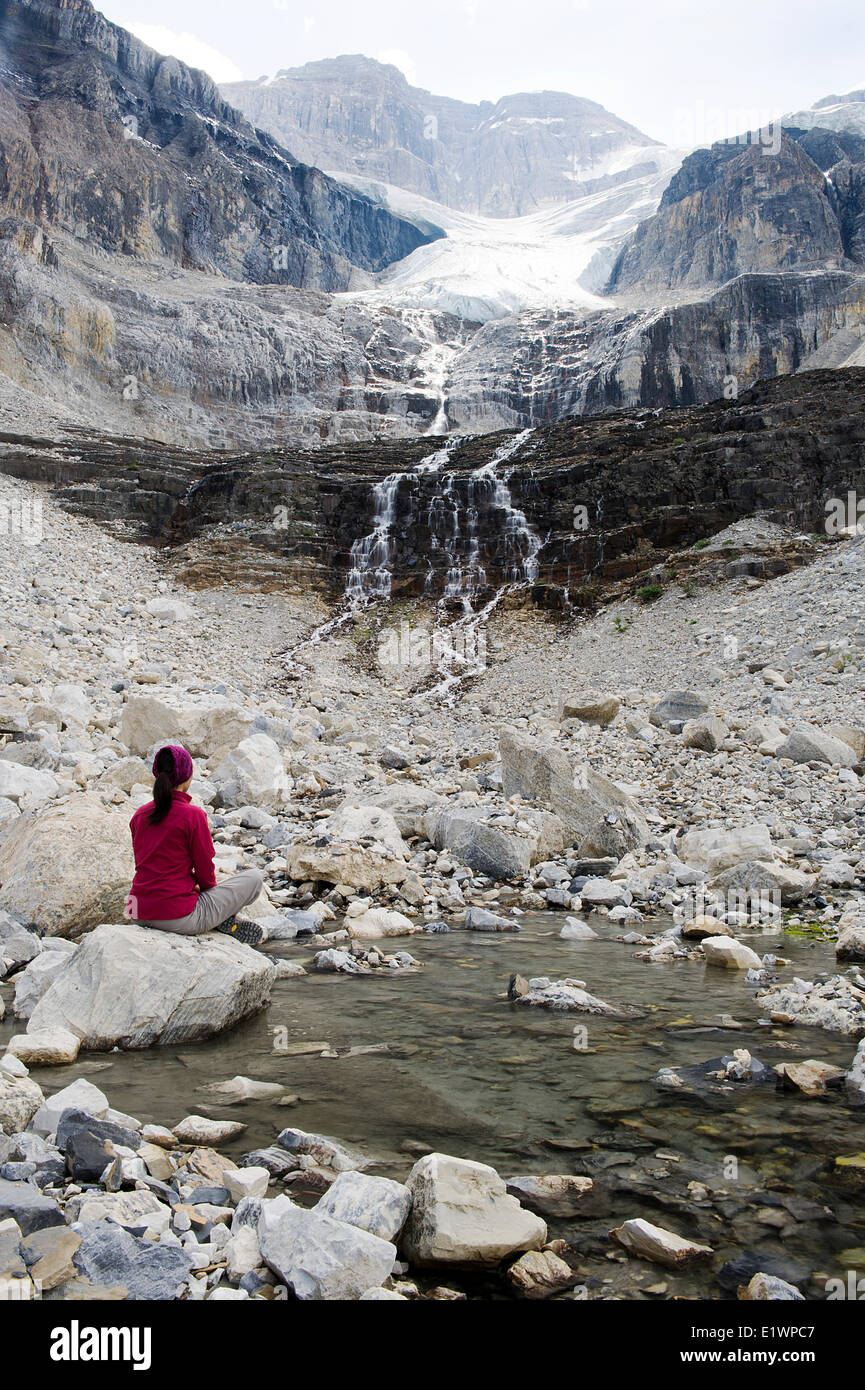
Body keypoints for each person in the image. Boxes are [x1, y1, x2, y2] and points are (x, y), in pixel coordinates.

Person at [125, 743, 265, 944]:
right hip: (177, 917)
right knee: (254, 878)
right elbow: (205, 871)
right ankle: (222, 918)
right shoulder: (192, 815)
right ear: (187, 777)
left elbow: (147, 864)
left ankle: (219, 917)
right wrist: (207, 893)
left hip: (137, 912)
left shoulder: (139, 815)